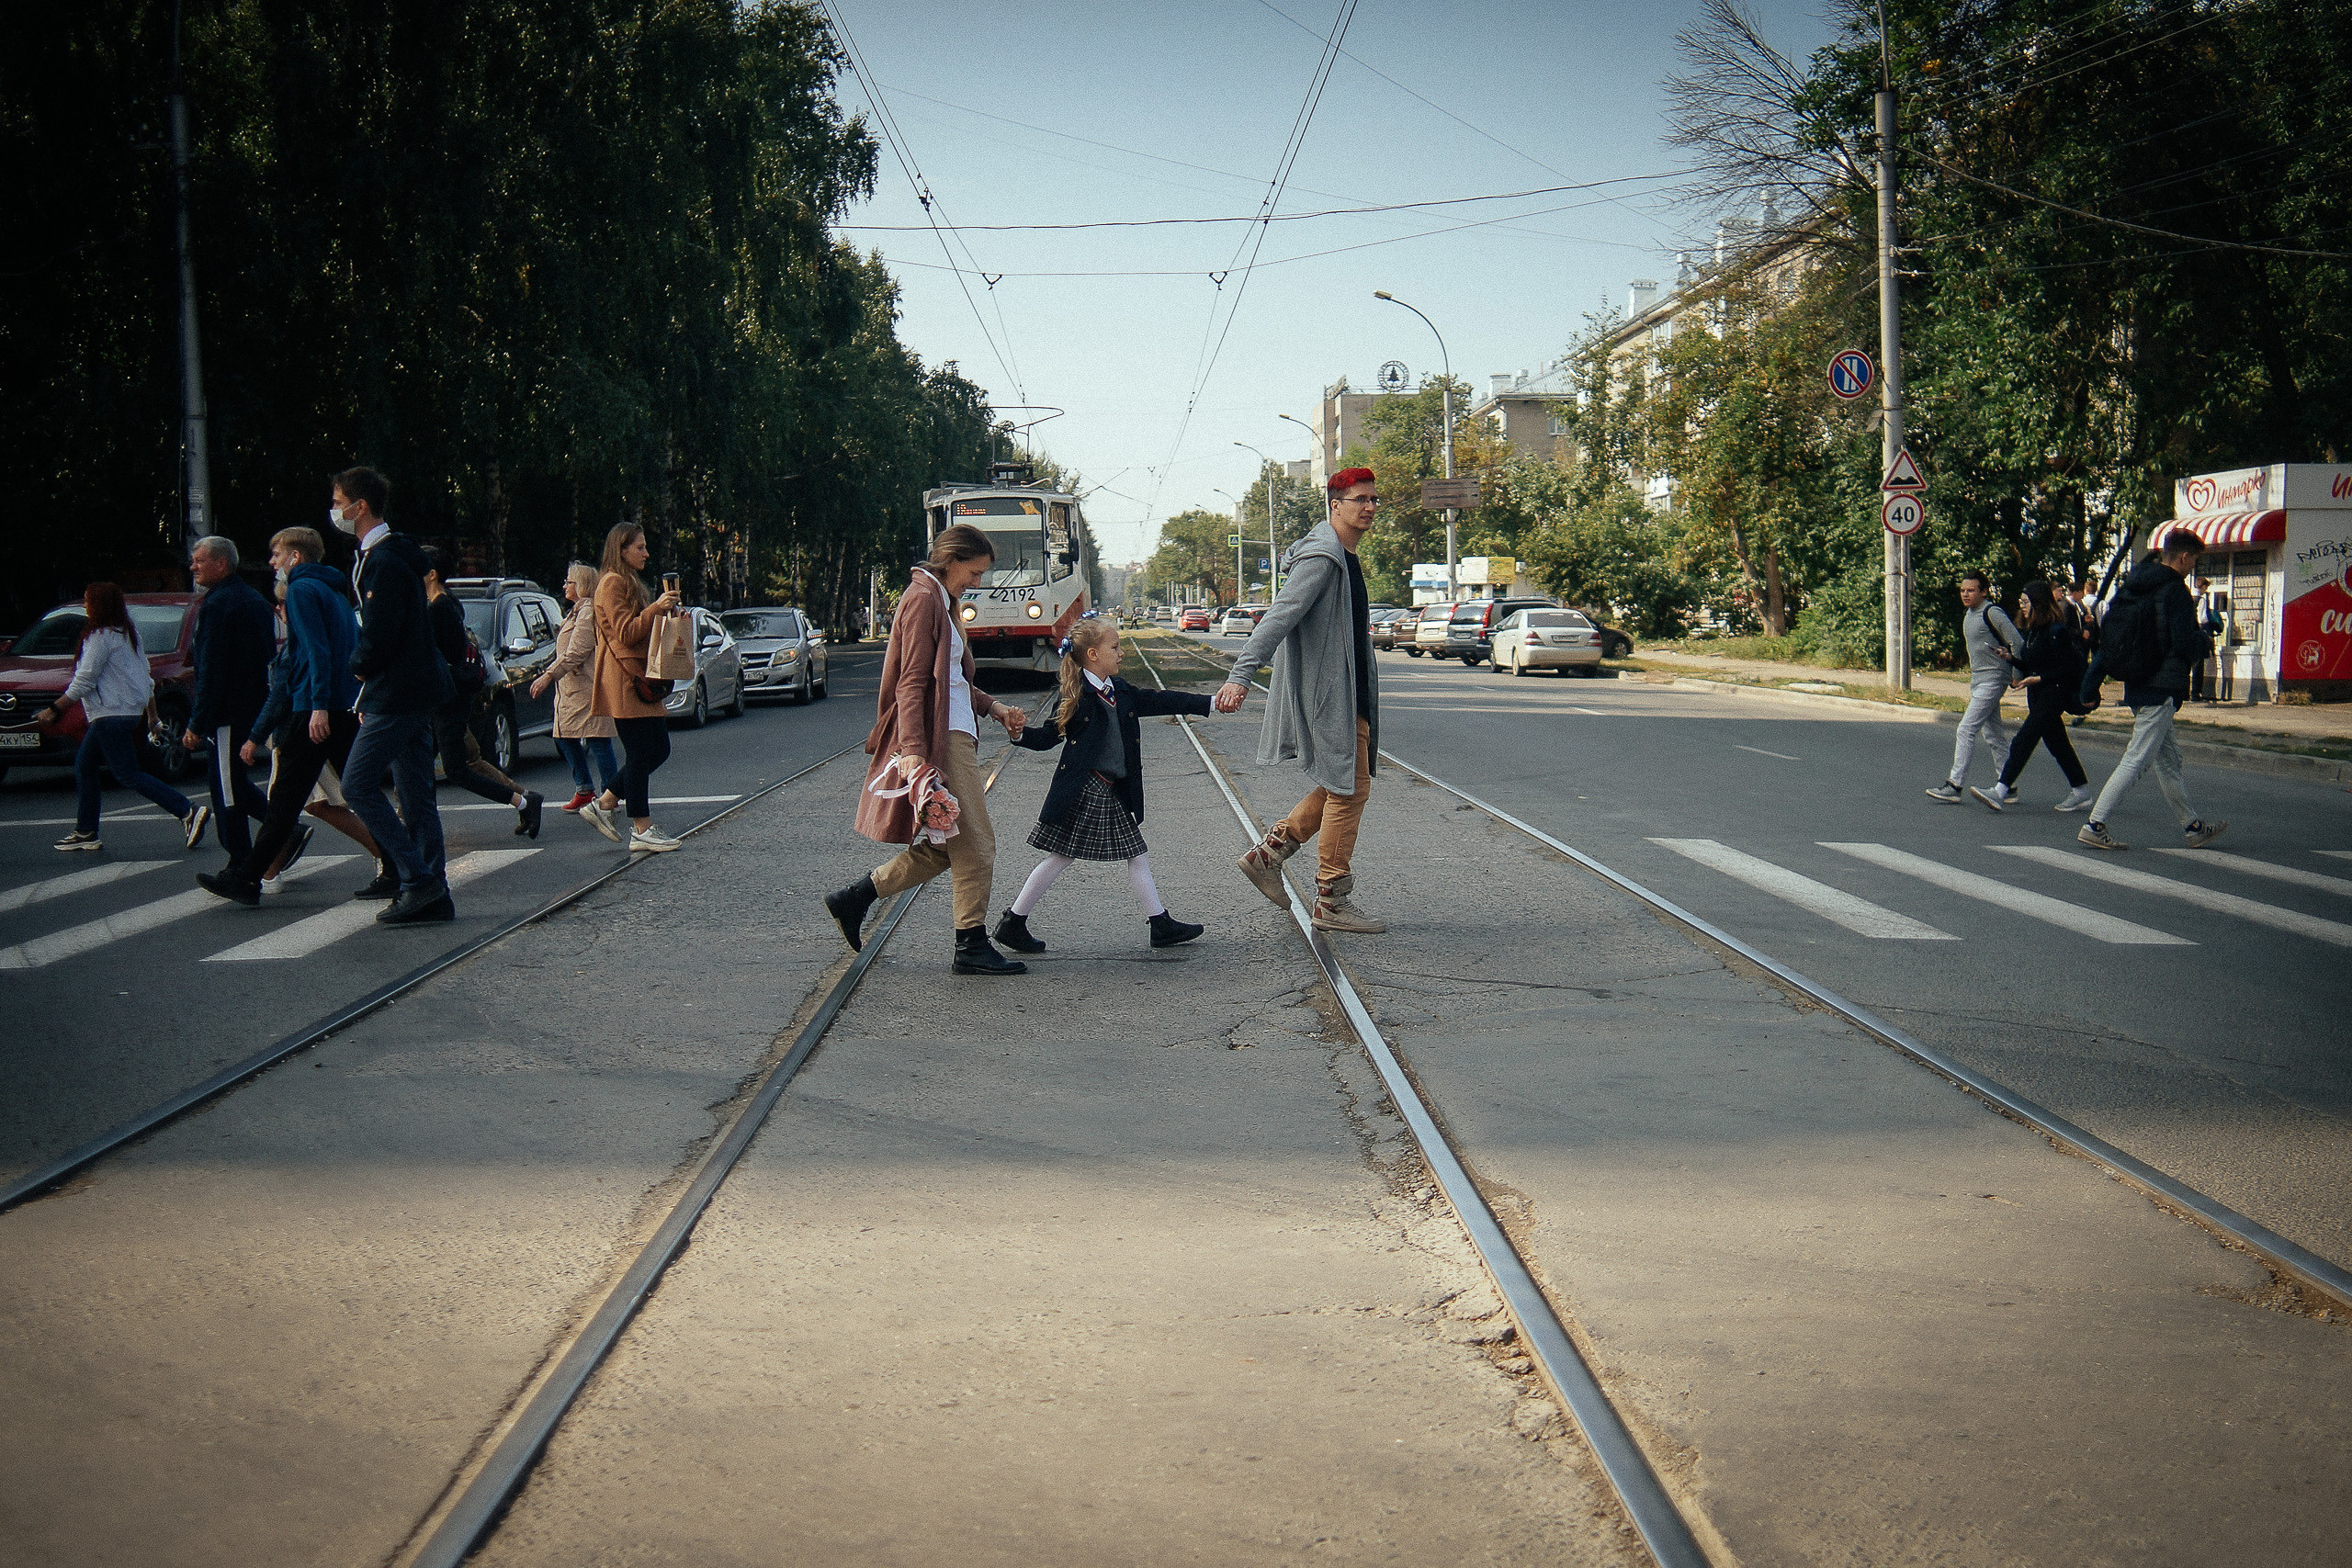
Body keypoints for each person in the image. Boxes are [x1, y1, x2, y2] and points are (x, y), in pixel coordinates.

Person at [823, 524, 1030, 975]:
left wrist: (994, 708)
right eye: (974, 573)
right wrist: (914, 748)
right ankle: (970, 945)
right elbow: (913, 681)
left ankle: (855, 897)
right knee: (977, 845)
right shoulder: (923, 600)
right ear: (951, 560)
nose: (977, 584)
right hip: (942, 740)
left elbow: (951, 681)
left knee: (949, 842)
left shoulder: (942, 599)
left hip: (956, 730)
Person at [1214, 466, 1385, 934]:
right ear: (1335, 504)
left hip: (1351, 691)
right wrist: (1240, 676)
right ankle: (1330, 900)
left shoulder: (1344, 555)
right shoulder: (1324, 557)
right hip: (1333, 695)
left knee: (1341, 783)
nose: (1368, 507)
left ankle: (1266, 856)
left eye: (1373, 499)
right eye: (1359, 499)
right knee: (1350, 789)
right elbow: (1279, 616)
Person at [994, 615, 1214, 953]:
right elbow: (1048, 737)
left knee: (1071, 857)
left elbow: (1161, 700)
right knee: (1115, 855)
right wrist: (1019, 733)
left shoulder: (1120, 691)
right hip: (1089, 789)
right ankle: (1159, 925)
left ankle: (1015, 922)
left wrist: (1209, 703)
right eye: (1115, 647)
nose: (1121, 653)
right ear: (1093, 654)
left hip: (1108, 787)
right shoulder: (1078, 697)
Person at [196, 528, 383, 906]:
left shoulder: (300, 590)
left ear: (295, 557)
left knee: (284, 802)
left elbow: (313, 653)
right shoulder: (334, 590)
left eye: (277, 554)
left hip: (312, 709)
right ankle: (400, 862)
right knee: (357, 790)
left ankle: (248, 878)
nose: (272, 562)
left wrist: (316, 705)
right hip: (340, 704)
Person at [338, 465, 458, 923]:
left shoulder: (383, 561)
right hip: (416, 687)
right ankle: (433, 890)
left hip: (398, 691)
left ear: (359, 506)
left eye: (337, 501)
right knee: (414, 794)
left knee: (357, 784)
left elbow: (380, 636)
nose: (335, 510)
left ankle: (418, 880)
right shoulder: (392, 554)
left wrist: (356, 668)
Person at [2077, 530, 2226, 852]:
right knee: (2137, 759)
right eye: (2194, 560)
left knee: (2169, 760)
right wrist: (2205, 637)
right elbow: (2185, 642)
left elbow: (2111, 639)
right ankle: (2095, 824)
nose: (2193, 566)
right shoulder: (2175, 591)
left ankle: (2193, 827)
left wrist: (2090, 682)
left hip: (2137, 683)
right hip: (2162, 688)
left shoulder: (2132, 587)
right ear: (2184, 557)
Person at [40, 583, 204, 852]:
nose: (85, 606)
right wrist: (152, 717)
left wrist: (55, 708)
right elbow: (145, 677)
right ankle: (86, 831)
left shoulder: (100, 636)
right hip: (124, 713)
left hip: (110, 715)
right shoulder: (127, 634)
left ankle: (187, 809)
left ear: (99, 606)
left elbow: (84, 680)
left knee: (128, 774)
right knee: (84, 765)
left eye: (87, 602)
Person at [419, 547, 542, 839]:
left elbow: (437, 658)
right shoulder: (445, 602)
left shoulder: (440, 608)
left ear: (432, 574)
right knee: (429, 765)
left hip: (447, 700)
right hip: (448, 699)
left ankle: (524, 801)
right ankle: (412, 825)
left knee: (456, 769)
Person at [584, 524, 685, 852]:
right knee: (642, 752)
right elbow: (627, 633)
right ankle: (641, 827)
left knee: (658, 749)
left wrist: (665, 613)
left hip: (639, 677)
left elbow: (639, 628)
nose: (646, 553)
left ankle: (606, 801)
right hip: (626, 678)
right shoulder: (612, 583)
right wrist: (655, 608)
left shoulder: (625, 581)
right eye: (639, 548)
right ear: (622, 550)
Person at [183, 535, 276, 862]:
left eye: (200, 560)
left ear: (221, 564)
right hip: (252, 705)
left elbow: (212, 668)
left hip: (227, 714)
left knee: (226, 791)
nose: (193, 566)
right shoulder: (253, 598)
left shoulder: (219, 604)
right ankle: (285, 831)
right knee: (234, 782)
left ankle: (240, 863)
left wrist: (198, 721)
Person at [1972, 580, 2092, 813]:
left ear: (2038, 603)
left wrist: (2040, 678)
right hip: (2039, 695)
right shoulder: (2035, 631)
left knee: (2024, 739)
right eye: (2021, 602)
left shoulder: (2057, 631)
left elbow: (2068, 667)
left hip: (2053, 694)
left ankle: (2000, 790)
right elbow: (2031, 663)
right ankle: (2081, 791)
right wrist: (2011, 658)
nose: (2022, 606)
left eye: (2025, 602)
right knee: (2057, 743)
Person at [1925, 570, 2019, 804]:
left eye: (1971, 590)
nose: (1966, 595)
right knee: (1994, 734)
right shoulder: (1969, 614)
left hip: (1995, 678)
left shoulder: (1992, 612)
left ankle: (1954, 785)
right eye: (1963, 590)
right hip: (1978, 680)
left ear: (1984, 591)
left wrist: (2017, 674)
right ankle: (2009, 786)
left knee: (1965, 729)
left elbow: (2016, 641)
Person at [531, 562, 617, 813]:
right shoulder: (577, 611)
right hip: (571, 689)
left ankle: (608, 794)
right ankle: (585, 789)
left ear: (581, 585)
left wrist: (548, 675)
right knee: (564, 736)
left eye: (569, 582)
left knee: (597, 738)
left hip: (587, 687)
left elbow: (577, 652)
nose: (564, 586)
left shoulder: (588, 611)